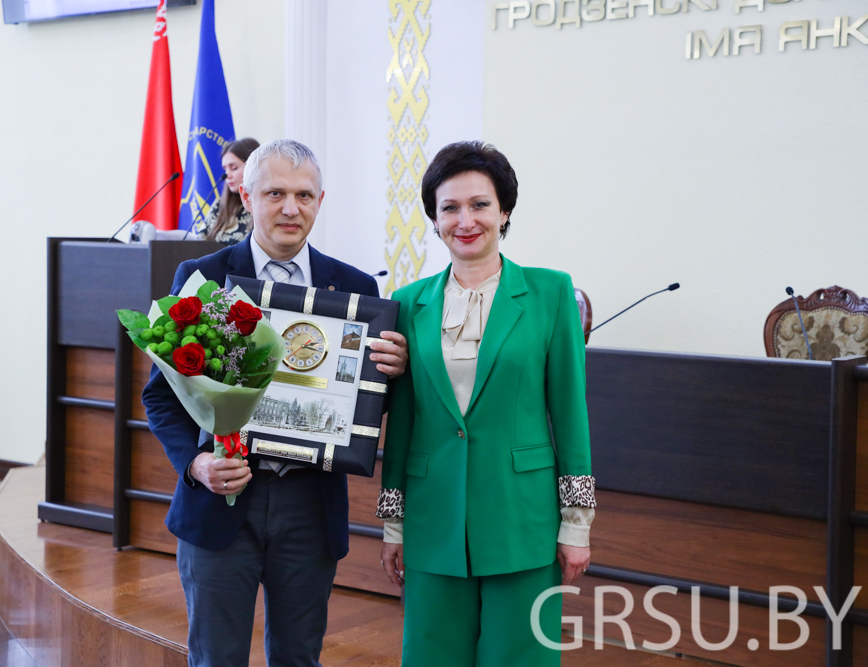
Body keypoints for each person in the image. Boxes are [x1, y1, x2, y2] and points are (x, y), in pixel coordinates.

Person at [142, 139, 409, 667]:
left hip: (310, 508)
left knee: (298, 658)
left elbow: (367, 403)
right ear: (246, 194)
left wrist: (395, 373)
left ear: (320, 200)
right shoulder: (203, 278)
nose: (291, 208)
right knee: (216, 658)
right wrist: (196, 464)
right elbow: (161, 397)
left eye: (305, 195)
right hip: (220, 502)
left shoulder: (356, 290)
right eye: (276, 193)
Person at [376, 141, 595, 666]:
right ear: (434, 218)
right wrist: (393, 523)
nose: (465, 220)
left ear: (505, 211)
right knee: (431, 657)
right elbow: (403, 422)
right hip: (433, 521)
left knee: (519, 659)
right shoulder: (407, 303)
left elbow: (570, 414)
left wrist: (577, 524)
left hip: (523, 519)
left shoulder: (550, 292)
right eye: (449, 208)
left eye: (479, 204)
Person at [196, 137, 258, 245]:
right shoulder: (219, 206)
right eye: (225, 169)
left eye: (233, 168)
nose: (227, 175)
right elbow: (198, 244)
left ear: (253, 168)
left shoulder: (265, 206)